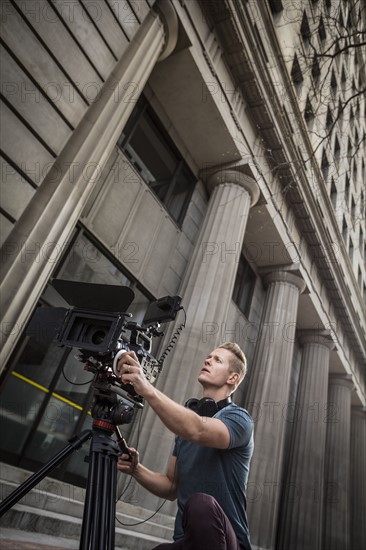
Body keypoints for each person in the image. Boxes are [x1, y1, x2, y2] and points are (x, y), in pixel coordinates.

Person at [117, 342, 254, 550]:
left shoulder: (239, 419)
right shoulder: (186, 427)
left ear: (232, 378)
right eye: (209, 356)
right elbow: (171, 486)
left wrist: (147, 388)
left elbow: (198, 430)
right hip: (186, 541)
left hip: (228, 542)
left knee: (201, 505)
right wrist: (136, 469)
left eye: (217, 360)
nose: (208, 360)